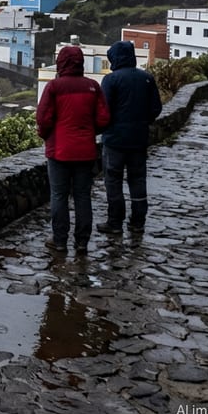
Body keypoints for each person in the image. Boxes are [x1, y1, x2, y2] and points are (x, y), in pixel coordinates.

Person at [36, 45, 110, 255]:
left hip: (59, 151)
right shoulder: (93, 86)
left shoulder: (54, 87)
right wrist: (88, 132)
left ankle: (59, 240)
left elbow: (43, 118)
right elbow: (104, 118)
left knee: (59, 195)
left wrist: (46, 135)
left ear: (61, 63)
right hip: (85, 151)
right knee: (82, 196)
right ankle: (82, 242)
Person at [97, 41, 163, 235]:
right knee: (137, 180)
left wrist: (107, 128)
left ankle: (115, 222)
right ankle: (137, 221)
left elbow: (104, 111)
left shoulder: (111, 80)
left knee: (113, 180)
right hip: (139, 140)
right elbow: (156, 109)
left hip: (114, 140)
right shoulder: (147, 78)